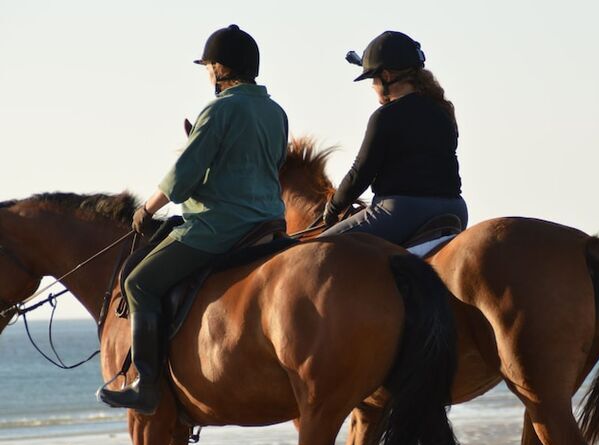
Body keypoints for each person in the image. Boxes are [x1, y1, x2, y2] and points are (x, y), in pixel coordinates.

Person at [98, 24, 289, 415]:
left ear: (220, 68)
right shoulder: (275, 111)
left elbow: (183, 175)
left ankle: (147, 385)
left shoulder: (220, 110)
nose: (207, 74)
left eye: (208, 67)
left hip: (219, 227)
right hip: (269, 223)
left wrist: (146, 209)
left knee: (139, 281)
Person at [321, 31, 467, 244]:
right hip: (456, 209)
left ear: (387, 76)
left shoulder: (384, 117)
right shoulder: (442, 110)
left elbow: (360, 172)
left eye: (373, 79)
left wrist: (334, 207)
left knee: (315, 251)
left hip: (403, 212)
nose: (372, 87)